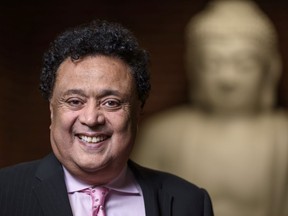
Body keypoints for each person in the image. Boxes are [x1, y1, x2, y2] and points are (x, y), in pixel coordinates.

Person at [0, 20, 214, 216]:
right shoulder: (4, 193)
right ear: (52, 110)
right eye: (75, 101)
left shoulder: (189, 203)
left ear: (138, 111)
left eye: (111, 102)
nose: (91, 118)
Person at [131, 1, 288, 216]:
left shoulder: (282, 134)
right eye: (213, 63)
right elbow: (135, 203)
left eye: (244, 64)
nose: (227, 78)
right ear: (193, 67)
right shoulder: (163, 134)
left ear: (270, 70)